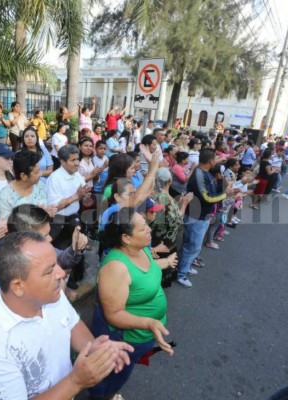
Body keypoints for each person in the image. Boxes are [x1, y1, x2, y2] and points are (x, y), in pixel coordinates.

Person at [0, 231, 133, 400]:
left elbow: (71, 323)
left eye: (56, 264)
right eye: (49, 270)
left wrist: (95, 347)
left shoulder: (50, 295)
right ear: (17, 286)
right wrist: (75, 382)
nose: (61, 274)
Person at [89, 208, 173, 399]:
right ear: (126, 238)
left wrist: (166, 262)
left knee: (124, 368)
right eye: (143, 228)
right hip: (124, 337)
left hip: (141, 335)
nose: (149, 229)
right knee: (114, 373)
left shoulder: (141, 248)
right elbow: (114, 314)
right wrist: (149, 323)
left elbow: (145, 272)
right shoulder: (116, 268)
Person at [177, 148, 234, 288]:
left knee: (192, 245)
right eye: (215, 159)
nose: (216, 161)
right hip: (196, 216)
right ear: (210, 161)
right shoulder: (200, 176)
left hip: (201, 215)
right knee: (192, 246)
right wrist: (226, 194)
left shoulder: (203, 172)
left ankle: (186, 267)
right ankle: (181, 274)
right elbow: (207, 198)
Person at [46, 144, 90, 250]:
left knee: (78, 250)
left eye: (78, 159)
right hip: (59, 224)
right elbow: (54, 207)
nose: (77, 163)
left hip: (75, 219)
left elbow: (83, 198)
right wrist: (76, 196)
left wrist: (85, 196)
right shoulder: (54, 179)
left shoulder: (77, 175)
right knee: (62, 255)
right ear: (62, 161)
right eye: (73, 160)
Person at [0, 150, 50, 221]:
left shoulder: (41, 186)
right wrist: (36, 215)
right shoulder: (4, 197)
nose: (40, 174)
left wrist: (48, 213)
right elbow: (7, 228)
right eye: (37, 172)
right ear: (23, 176)